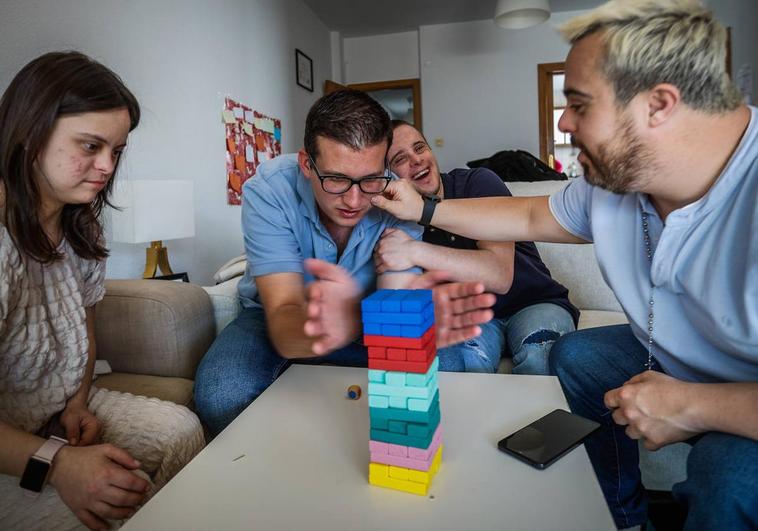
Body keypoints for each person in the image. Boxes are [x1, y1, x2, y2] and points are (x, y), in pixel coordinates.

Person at [370, 1, 758, 529]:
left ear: (659, 104)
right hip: (688, 353)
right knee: (577, 356)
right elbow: (530, 212)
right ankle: (621, 518)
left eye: (577, 103)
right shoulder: (611, 188)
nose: (562, 121)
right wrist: (426, 210)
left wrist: (694, 407)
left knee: (727, 476)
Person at [194, 89, 495, 438]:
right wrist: (334, 326)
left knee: (449, 368)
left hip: (371, 320)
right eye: (336, 179)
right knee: (220, 393)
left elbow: (394, 312)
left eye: (370, 180)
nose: (354, 200)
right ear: (307, 164)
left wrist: (373, 323)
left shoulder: (398, 197)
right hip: (275, 318)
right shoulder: (269, 190)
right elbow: (283, 314)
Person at [0, 51, 205, 530]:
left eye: (116, 150)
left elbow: (84, 325)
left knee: (181, 431)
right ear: (30, 133)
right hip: (13, 438)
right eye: (90, 146)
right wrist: (57, 461)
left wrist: (75, 404)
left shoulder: (81, 225)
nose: (107, 166)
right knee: (114, 509)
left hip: (58, 413)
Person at [374, 120, 578, 374]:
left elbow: (499, 276)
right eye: (400, 159)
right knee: (455, 364)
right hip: (472, 315)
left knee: (540, 355)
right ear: (388, 177)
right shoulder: (392, 221)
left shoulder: (477, 182)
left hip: (534, 303)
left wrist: (414, 251)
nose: (417, 160)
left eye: (420, 148)